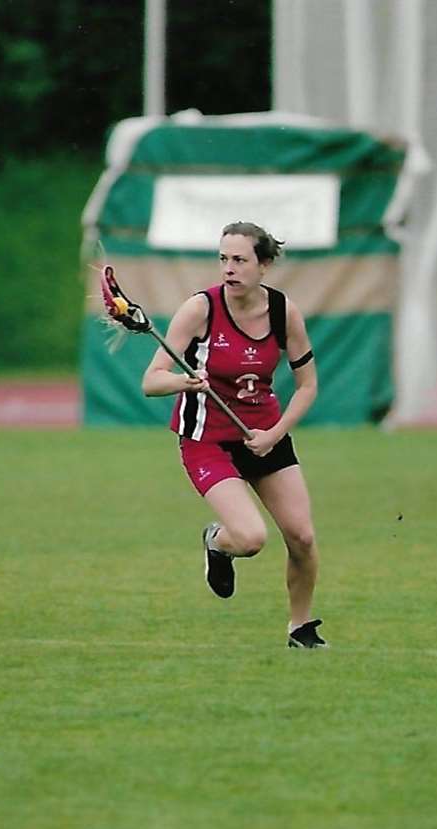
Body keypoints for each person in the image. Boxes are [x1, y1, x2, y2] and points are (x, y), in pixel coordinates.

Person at [141, 222, 326, 649]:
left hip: (263, 434)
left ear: (264, 265)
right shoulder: (200, 309)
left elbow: (308, 386)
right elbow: (151, 381)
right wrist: (185, 382)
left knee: (302, 537)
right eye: (223, 259)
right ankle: (217, 542)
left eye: (240, 260)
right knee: (250, 538)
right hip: (207, 440)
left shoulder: (282, 312)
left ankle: (300, 629)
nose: (229, 268)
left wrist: (274, 434)